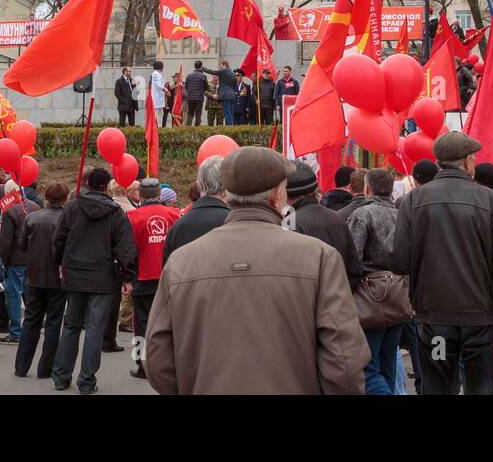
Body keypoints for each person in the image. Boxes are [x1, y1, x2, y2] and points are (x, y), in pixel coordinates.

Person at [146, 147, 368, 393]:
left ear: (228, 195)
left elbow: (156, 355)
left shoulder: (181, 261)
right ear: (276, 195)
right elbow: (344, 360)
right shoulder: (319, 257)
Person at [389, 132, 493, 395]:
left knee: (438, 386)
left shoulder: (414, 200)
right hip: (482, 324)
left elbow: (399, 261)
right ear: (468, 161)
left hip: (436, 320)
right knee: (482, 388)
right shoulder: (489, 200)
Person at [50, 167, 137, 394]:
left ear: (87, 184)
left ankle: (61, 376)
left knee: (70, 325)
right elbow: (125, 247)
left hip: (74, 274)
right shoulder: (116, 212)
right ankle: (87, 380)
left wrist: (59, 262)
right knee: (95, 330)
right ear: (107, 186)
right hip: (102, 277)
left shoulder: (72, 207)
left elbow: (59, 239)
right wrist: (128, 276)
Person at [345, 168, 405, 394]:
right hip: (398, 293)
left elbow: (353, 257)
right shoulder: (402, 214)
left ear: (367, 188)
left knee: (368, 366)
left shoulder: (364, 214)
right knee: (389, 359)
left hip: (371, 293)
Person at [125, 178, 180, 378]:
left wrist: (127, 278)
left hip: (142, 277)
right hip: (169, 276)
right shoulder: (175, 214)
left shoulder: (131, 216)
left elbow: (128, 250)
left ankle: (141, 365)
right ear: (158, 195)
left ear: (141, 196)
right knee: (171, 323)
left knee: (141, 325)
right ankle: (170, 362)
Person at [14, 182, 69, 380]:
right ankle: (45, 368)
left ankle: (21, 366)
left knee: (31, 321)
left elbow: (23, 246)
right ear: (65, 199)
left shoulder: (32, 217)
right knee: (54, 323)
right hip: (58, 278)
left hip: (34, 276)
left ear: (46, 197)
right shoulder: (67, 220)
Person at [286, 162, 364, 290]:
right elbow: (354, 269)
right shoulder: (338, 219)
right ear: (315, 189)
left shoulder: (289, 223)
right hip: (337, 300)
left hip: (305, 302)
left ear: (284, 192)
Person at [0, 179, 41, 346]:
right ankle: (32, 328)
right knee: (30, 296)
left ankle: (16, 331)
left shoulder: (9, 210)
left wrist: (2, 262)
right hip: (32, 258)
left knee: (13, 296)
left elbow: (6, 241)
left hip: (15, 260)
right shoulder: (35, 206)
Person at [162, 157, 228, 264]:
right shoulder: (234, 222)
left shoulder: (177, 227)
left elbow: (167, 272)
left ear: (199, 185)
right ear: (226, 186)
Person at [202, 60, 240, 125]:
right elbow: (235, 86)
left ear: (224, 65)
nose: (220, 68)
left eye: (220, 66)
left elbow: (212, 72)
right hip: (232, 96)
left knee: (227, 114)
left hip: (225, 96)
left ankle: (229, 129)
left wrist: (202, 68)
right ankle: (232, 129)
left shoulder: (224, 71)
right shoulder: (233, 74)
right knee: (230, 114)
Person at [182, 61, 208, 127]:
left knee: (190, 113)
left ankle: (188, 127)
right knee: (198, 114)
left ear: (194, 66)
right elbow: (206, 87)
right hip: (199, 98)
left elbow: (186, 87)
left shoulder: (189, 75)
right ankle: (197, 128)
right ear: (201, 66)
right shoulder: (203, 76)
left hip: (190, 97)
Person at [149, 61, 166, 126]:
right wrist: (166, 90)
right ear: (160, 67)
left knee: (159, 114)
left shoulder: (155, 73)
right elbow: (158, 84)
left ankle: (158, 128)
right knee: (158, 116)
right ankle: (158, 129)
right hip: (157, 98)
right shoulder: (157, 74)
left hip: (157, 98)